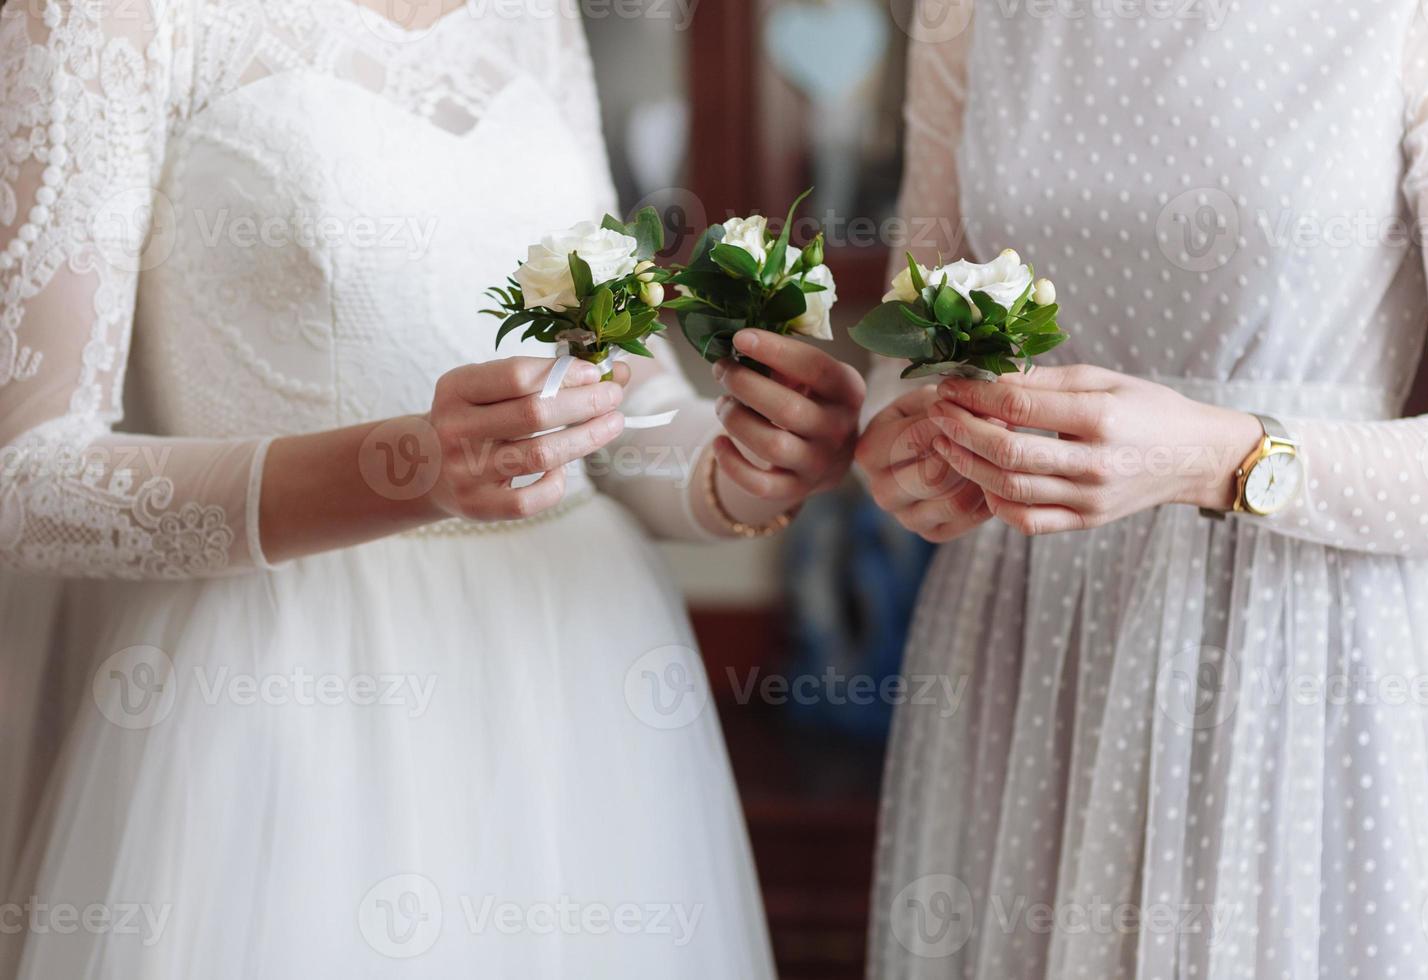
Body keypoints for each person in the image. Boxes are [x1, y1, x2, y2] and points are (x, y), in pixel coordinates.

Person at [0, 1, 864, 976]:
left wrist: (743, 467)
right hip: (287, 693)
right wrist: (406, 467)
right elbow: (29, 479)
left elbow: (612, 378)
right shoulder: (100, 15)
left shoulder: (535, 14)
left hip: (577, 695)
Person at [859, 0, 1428, 975]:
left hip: (1303, 657)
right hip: (1022, 648)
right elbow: (918, 336)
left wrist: (1220, 459)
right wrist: (900, 447)